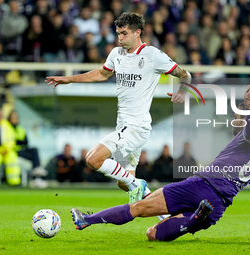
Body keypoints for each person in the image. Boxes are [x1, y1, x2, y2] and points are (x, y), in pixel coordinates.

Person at [69, 85, 250, 241]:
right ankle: (193, 219)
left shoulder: (249, 137)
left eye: (238, 116)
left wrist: (249, 109)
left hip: (200, 186)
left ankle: (87, 220)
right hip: (218, 206)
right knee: (151, 234)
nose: (234, 119)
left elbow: (249, 132)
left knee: (138, 207)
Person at [45, 12, 190, 203]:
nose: (120, 38)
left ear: (137, 33)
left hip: (136, 126)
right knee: (125, 183)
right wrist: (69, 79)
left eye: (124, 33)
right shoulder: (116, 54)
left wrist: (183, 91)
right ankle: (167, 215)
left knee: (93, 159)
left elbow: (185, 74)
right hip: (123, 125)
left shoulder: (153, 55)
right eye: (118, 34)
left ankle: (139, 185)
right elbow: (102, 74)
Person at [7, 110, 47, 177]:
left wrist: (18, 142)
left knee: (34, 151)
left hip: (22, 150)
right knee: (34, 158)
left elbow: (25, 142)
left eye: (16, 117)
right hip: (13, 151)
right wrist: (19, 142)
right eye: (13, 117)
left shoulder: (20, 129)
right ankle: (36, 174)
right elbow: (10, 141)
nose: (15, 119)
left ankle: (37, 171)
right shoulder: (6, 128)